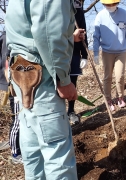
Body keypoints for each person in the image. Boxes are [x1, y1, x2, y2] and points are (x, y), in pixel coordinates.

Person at [5, 0, 85, 179]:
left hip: (22, 69)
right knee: (57, 152)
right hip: (41, 74)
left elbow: (32, 27)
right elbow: (48, 35)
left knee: (33, 144)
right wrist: (63, 80)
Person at [93, 0, 126, 112]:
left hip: (121, 51)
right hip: (107, 51)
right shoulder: (100, 16)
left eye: (113, 4)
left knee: (120, 76)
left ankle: (120, 97)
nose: (111, 6)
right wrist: (96, 52)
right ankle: (108, 99)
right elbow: (96, 36)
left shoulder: (124, 14)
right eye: (108, 4)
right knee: (108, 77)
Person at [0, 31, 22, 164]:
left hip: (22, 84)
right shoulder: (9, 36)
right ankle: (15, 153)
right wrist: (10, 84)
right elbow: (6, 63)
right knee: (17, 120)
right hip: (14, 85)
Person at [68, 0, 89, 124]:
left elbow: (82, 31)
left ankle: (70, 111)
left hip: (74, 53)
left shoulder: (77, 7)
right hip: (58, 53)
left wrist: (84, 55)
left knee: (72, 82)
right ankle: (58, 114)